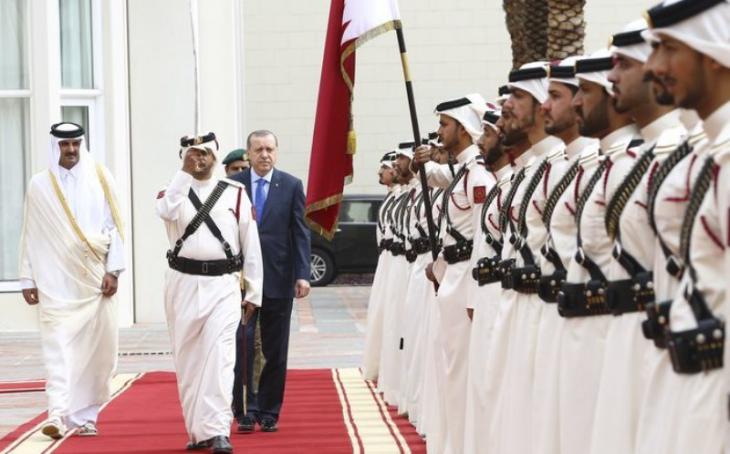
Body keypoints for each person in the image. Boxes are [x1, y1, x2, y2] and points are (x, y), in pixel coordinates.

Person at [634, 1, 730, 452]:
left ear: (713, 52)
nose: (653, 67)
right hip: (693, 382)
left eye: (668, 49)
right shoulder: (710, 153)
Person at [589, 18, 687, 454]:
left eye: (623, 64)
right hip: (632, 332)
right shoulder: (640, 160)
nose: (612, 77)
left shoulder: (689, 155)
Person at [558, 50, 642, 454]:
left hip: (622, 330)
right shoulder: (603, 166)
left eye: (584, 91)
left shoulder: (639, 163)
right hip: (590, 323)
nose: (576, 102)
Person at [19, 122, 125, 439]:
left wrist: (113, 270)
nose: (71, 150)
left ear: (82, 144)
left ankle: (85, 416)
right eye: (65, 145)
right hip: (54, 280)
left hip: (94, 280)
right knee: (57, 347)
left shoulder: (101, 178)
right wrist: (28, 277)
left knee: (96, 351)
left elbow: (115, 226)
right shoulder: (39, 184)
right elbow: (30, 233)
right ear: (55, 147)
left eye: (76, 144)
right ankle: (57, 413)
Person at [157, 132, 263, 453]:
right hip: (183, 284)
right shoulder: (173, 191)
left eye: (204, 154)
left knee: (220, 357)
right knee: (189, 361)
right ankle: (198, 431)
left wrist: (253, 292)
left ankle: (218, 430)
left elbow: (251, 243)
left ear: (215, 158)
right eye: (192, 154)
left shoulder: (236, 193)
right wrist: (184, 173)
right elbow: (166, 211)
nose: (199, 159)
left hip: (223, 284)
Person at [415, 93, 493, 454]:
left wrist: (473, 292)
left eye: (445, 124)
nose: (439, 131)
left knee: (461, 372)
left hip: (466, 283)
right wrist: (440, 270)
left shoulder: (478, 174)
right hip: (452, 279)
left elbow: (481, 239)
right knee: (450, 369)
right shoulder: (463, 172)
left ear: (462, 128)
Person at [231, 130, 310, 433]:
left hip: (279, 277)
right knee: (243, 345)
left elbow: (300, 232)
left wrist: (302, 273)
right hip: (242, 281)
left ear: (276, 152)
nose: (265, 155)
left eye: (270, 149)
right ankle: (244, 411)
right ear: (248, 154)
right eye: (258, 149)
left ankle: (269, 411)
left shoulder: (290, 185)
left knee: (275, 350)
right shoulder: (233, 186)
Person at [463, 106, 513, 454]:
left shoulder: (505, 184)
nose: (482, 142)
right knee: (482, 381)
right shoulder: (500, 184)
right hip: (486, 290)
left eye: (490, 133)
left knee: (496, 383)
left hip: (503, 294)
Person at [361, 151, 399, 381]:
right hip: (386, 259)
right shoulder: (392, 197)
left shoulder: (402, 196)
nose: (380, 172)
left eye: (384, 167)